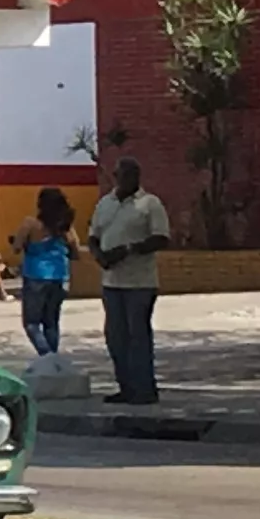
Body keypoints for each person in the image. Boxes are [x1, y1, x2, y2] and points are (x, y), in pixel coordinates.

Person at [88, 158, 173, 404]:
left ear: (137, 177)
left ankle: (145, 388)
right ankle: (126, 386)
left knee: (138, 336)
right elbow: (94, 235)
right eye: (121, 176)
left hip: (139, 282)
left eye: (130, 176)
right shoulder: (105, 203)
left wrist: (128, 249)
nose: (124, 180)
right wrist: (99, 255)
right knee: (116, 337)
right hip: (112, 281)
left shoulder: (149, 204)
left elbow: (161, 238)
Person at [16, 187, 75, 360]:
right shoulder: (65, 228)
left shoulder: (30, 224)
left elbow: (16, 246)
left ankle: (47, 355)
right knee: (51, 323)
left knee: (32, 323)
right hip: (59, 276)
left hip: (36, 275)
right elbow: (76, 250)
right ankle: (53, 359)